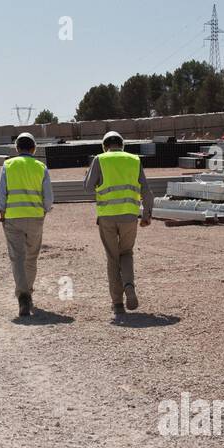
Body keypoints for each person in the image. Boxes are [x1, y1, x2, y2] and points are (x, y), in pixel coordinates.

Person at [83, 131, 151, 316]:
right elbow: (146, 190)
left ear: (105, 146)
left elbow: (88, 188)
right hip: (129, 216)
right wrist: (147, 215)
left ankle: (118, 303)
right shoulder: (134, 159)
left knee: (113, 258)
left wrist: (89, 174)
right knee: (126, 253)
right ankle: (129, 287)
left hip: (107, 217)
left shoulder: (100, 159)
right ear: (122, 145)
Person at [0, 131, 53, 317]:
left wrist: (2, 211)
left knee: (17, 258)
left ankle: (23, 296)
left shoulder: (8, 165)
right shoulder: (41, 167)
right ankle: (27, 291)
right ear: (34, 148)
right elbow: (48, 198)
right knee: (31, 257)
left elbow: (1, 193)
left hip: (13, 218)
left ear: (17, 148)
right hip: (35, 218)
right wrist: (44, 211)